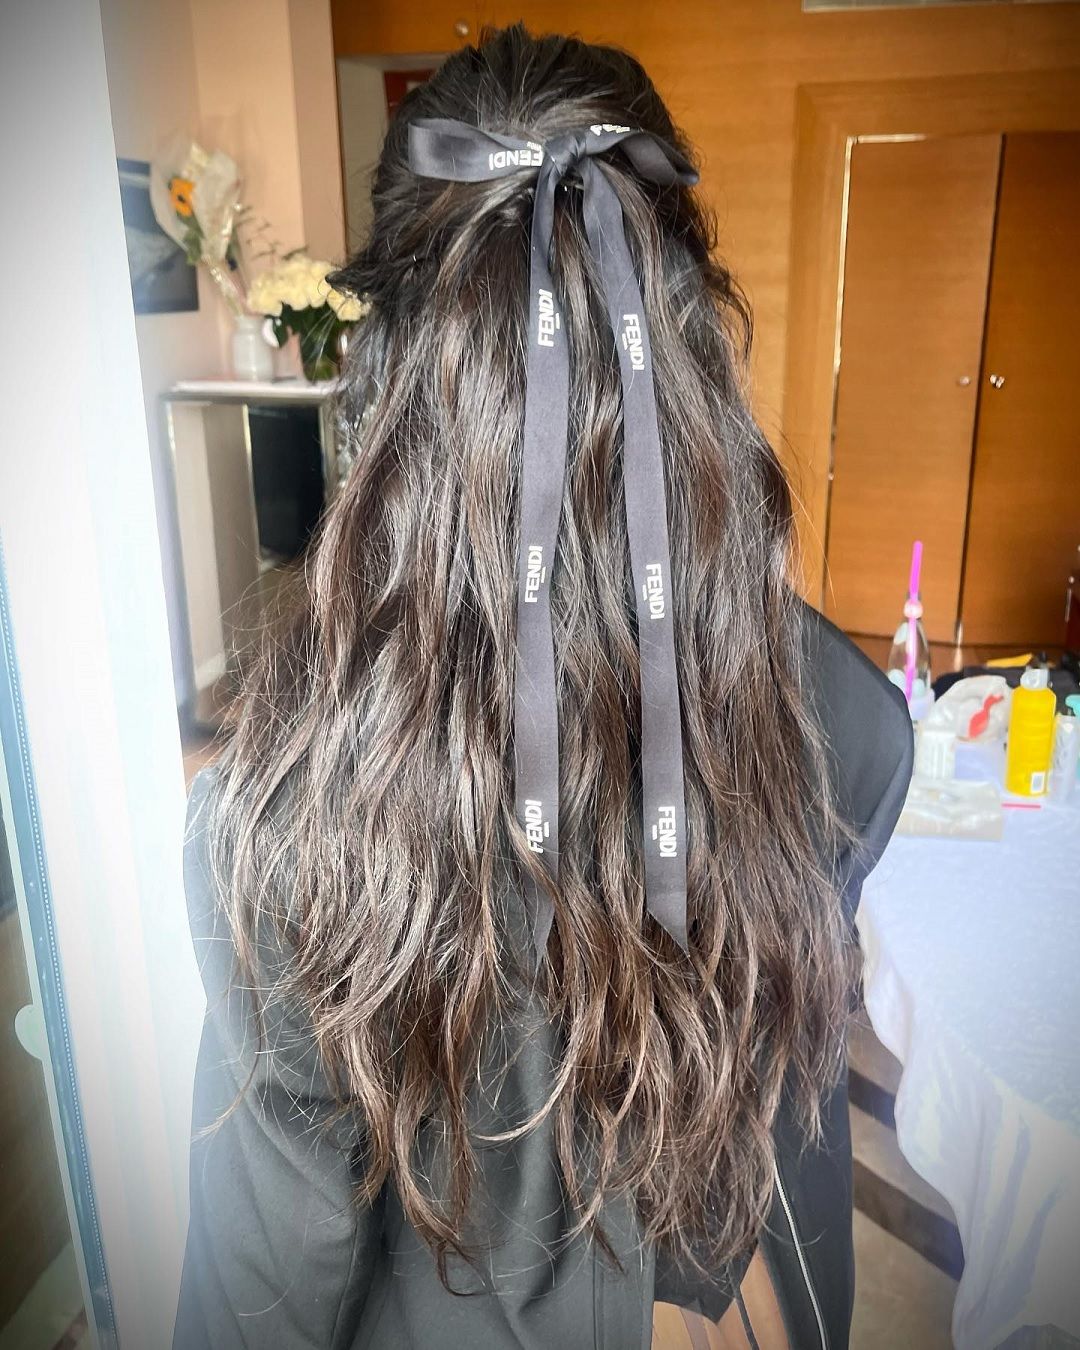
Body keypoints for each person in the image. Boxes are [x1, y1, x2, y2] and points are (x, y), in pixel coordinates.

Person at [173, 24, 912, 1350]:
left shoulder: (283, 817)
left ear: (396, 364)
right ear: (687, 331)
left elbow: (260, 1289)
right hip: (758, 1302)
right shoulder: (850, 720)